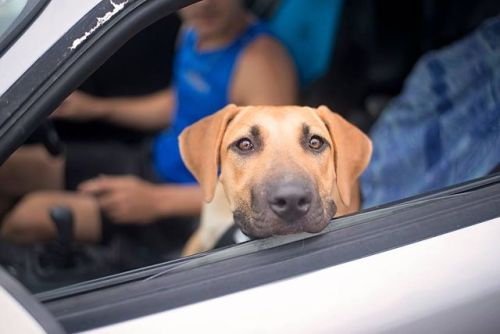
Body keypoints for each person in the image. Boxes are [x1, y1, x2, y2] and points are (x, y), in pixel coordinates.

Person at [0, 0, 297, 244]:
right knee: (12, 169)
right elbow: (180, 102)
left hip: (190, 210)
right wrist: (98, 109)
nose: (204, 3)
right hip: (155, 163)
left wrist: (154, 201)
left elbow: (265, 187)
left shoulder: (261, 64)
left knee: (29, 217)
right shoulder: (194, 31)